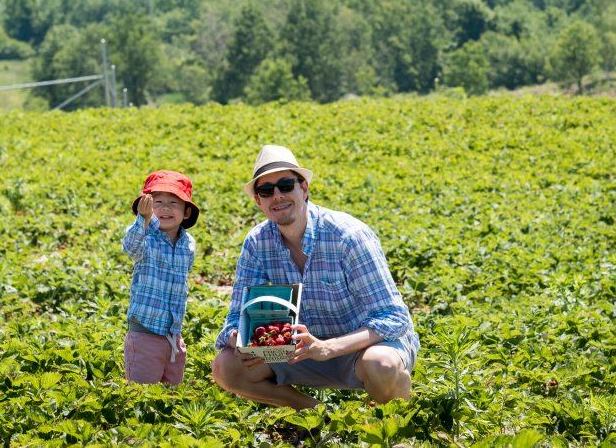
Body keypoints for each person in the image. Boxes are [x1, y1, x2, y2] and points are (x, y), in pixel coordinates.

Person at [211, 145, 418, 408]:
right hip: (301, 351)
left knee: (382, 363)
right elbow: (235, 318)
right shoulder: (257, 243)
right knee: (226, 366)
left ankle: (396, 430)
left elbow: (394, 318)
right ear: (258, 201)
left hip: (360, 349)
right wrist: (244, 340)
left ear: (304, 189)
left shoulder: (348, 237)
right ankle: (317, 415)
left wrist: (329, 347)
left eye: (286, 186)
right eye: (266, 190)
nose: (277, 196)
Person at [122, 169, 199, 385]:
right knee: (142, 397)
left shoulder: (188, 243)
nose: (165, 208)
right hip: (144, 334)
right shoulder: (144, 235)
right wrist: (143, 220)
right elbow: (130, 249)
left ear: (186, 212)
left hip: (174, 335)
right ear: (146, 207)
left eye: (173, 202)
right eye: (158, 202)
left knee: (170, 397)